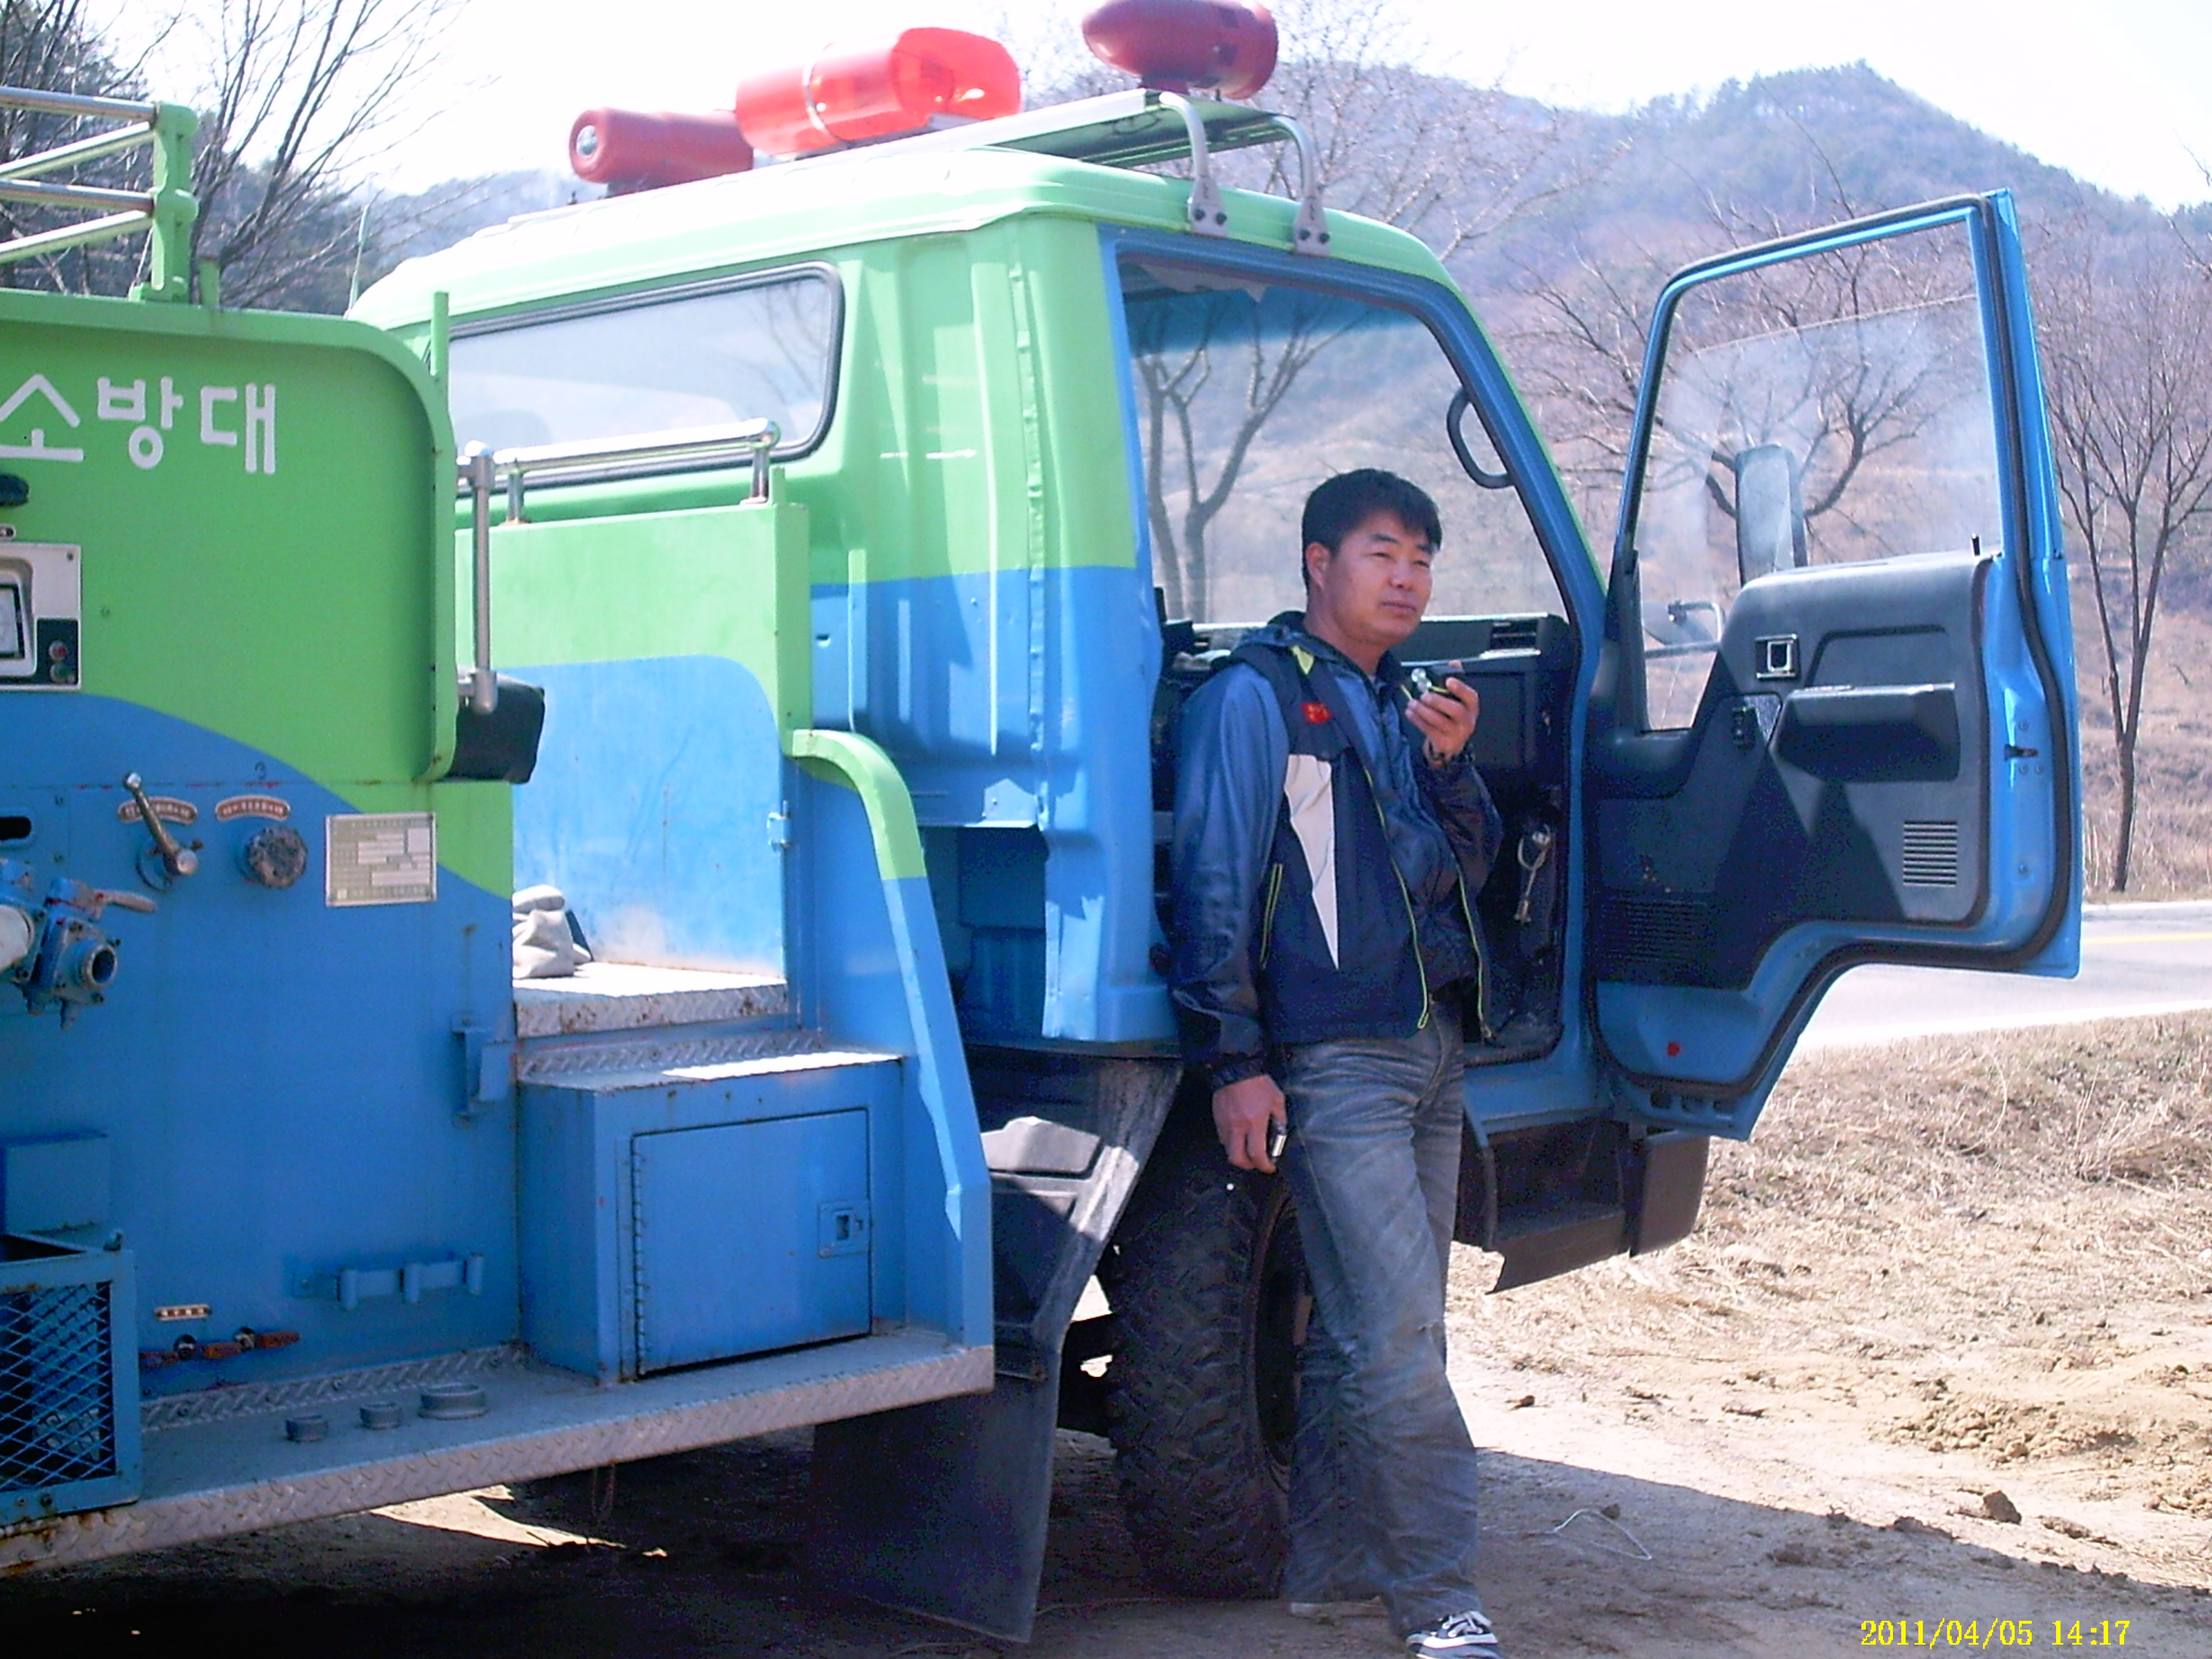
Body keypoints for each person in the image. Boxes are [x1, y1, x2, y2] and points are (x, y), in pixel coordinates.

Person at [1169, 468, 1505, 1658]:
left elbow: (1459, 870)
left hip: (1429, 1043)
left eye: (1422, 558)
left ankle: (1331, 1566)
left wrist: (1453, 767)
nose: (1407, 578)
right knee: (1397, 1334)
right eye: (1382, 553)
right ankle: (1440, 1600)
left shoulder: (1402, 699)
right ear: (1318, 563)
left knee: (1369, 1324)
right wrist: (1232, 1059)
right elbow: (1212, 884)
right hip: (1335, 1057)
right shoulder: (1252, 700)